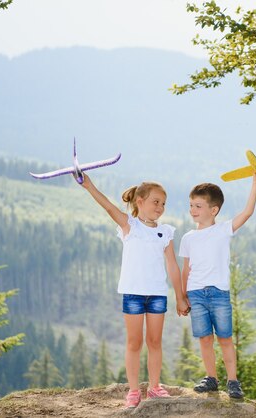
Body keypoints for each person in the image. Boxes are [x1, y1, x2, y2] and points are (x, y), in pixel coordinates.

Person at [79, 173, 189, 409]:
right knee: (134, 342)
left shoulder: (166, 232)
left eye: (163, 203)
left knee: (155, 341)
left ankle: (155, 386)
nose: (160, 207)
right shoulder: (130, 225)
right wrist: (89, 186)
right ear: (140, 201)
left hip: (158, 295)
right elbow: (108, 207)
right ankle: (133, 390)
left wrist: (180, 297)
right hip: (133, 295)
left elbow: (172, 265)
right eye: (155, 202)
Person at [179, 170, 256, 399]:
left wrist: (255, 185)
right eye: (191, 205)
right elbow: (186, 269)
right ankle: (211, 379)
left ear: (213, 210)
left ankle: (233, 381)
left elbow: (247, 212)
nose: (193, 210)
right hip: (195, 293)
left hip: (218, 294)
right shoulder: (188, 238)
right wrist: (181, 296)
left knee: (225, 338)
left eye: (198, 206)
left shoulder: (223, 230)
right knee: (205, 338)